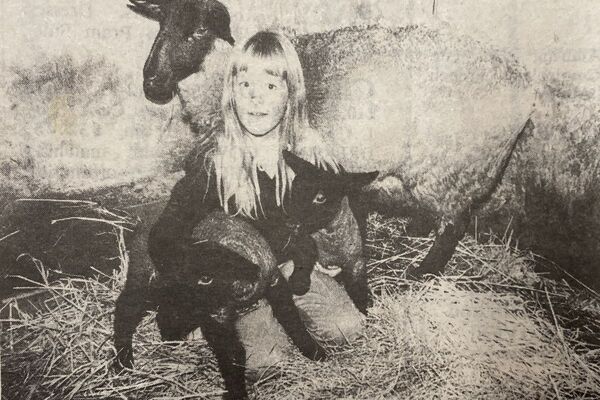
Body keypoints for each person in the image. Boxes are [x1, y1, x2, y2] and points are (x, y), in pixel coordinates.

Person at [149, 31, 366, 379]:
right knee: (267, 363)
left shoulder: (308, 154)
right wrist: (189, 285)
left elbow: (338, 211)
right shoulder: (215, 161)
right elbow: (167, 231)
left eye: (270, 86)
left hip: (290, 268)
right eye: (245, 85)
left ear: (291, 94)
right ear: (231, 93)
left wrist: (328, 262)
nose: (255, 98)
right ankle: (216, 326)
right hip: (240, 284)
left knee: (347, 328)